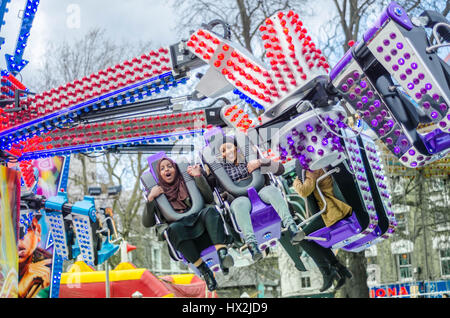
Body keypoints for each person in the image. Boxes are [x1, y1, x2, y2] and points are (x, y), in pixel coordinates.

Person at [142, 157, 233, 292]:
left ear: (176, 169)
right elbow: (147, 223)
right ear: (160, 175)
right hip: (187, 240)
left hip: (207, 230)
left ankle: (222, 254)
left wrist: (198, 177)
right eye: (162, 168)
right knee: (173, 229)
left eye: (170, 166)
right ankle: (205, 272)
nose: (166, 169)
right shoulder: (157, 194)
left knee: (209, 211)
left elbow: (208, 197)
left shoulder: (187, 182)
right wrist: (150, 198)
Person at [216, 139, 303, 262]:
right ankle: (252, 245)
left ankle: (292, 227)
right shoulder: (220, 171)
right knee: (240, 205)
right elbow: (209, 189)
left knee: (272, 191)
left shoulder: (250, 157)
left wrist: (260, 162)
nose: (227, 152)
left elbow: (280, 170)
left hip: (260, 191)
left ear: (236, 147)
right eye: (223, 151)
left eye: (229, 147)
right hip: (239, 198)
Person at [293, 165, 353, 292]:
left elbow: (304, 190)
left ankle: (328, 272)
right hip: (328, 209)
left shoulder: (312, 168)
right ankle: (339, 269)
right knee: (312, 237)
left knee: (301, 238)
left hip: (331, 210)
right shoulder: (316, 164)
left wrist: (296, 181)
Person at [18, 215, 51, 298]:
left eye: (26, 229)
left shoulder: (51, 268)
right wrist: (19, 291)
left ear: (38, 232)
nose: (18, 242)